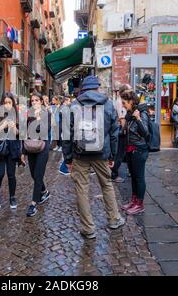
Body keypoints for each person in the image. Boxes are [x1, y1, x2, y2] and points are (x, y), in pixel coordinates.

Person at [63, 76, 124, 239]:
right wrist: (112, 155)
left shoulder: (74, 105)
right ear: (97, 88)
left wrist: (67, 158)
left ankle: (88, 228)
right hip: (102, 152)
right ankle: (114, 219)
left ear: (83, 89)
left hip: (79, 153)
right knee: (107, 185)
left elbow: (67, 135)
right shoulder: (108, 103)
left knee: (82, 189)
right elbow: (114, 133)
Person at [120, 90, 151, 215]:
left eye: (124, 103)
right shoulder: (130, 112)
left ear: (131, 101)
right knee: (133, 177)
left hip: (139, 149)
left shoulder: (142, 113)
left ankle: (140, 204)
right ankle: (134, 201)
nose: (123, 105)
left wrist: (138, 118)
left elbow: (146, 133)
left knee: (139, 177)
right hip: (130, 149)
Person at [22, 91, 52, 217]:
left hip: (42, 148)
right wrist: (23, 152)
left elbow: (44, 131)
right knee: (34, 174)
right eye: (32, 100)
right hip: (30, 148)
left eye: (36, 100)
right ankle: (44, 191)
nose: (34, 102)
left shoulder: (47, 114)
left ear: (41, 101)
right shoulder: (29, 115)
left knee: (38, 175)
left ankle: (34, 203)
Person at [0, 93, 22, 209]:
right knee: (0, 173)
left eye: (10, 103)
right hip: (0, 148)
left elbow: (19, 134)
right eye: (5, 103)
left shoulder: (17, 116)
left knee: (11, 175)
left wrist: (13, 126)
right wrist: (3, 126)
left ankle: (12, 197)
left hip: (12, 148)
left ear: (13, 104)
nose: (7, 105)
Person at [111, 84, 132, 183]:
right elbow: (122, 118)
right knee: (119, 153)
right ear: (124, 92)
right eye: (129, 90)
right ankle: (114, 174)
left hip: (121, 129)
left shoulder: (120, 101)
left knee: (123, 152)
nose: (131, 91)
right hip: (121, 130)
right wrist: (125, 130)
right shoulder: (120, 102)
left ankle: (128, 170)